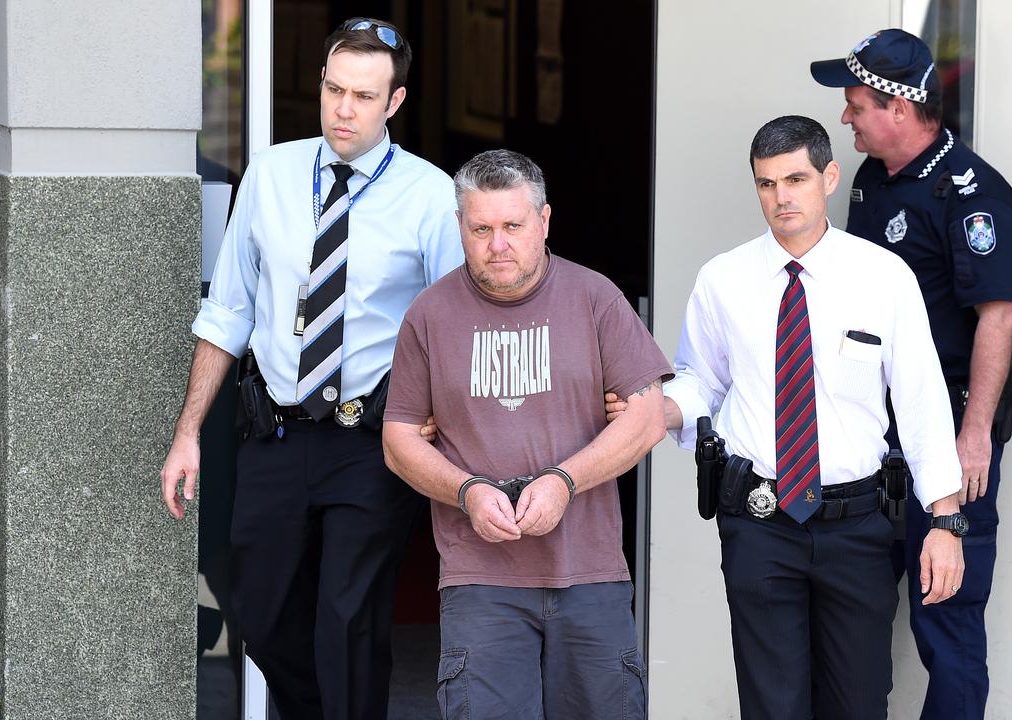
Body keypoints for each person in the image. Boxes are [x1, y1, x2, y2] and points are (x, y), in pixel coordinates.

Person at [607, 115, 965, 719]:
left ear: (828, 177)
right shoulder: (724, 280)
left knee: (856, 703)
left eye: (795, 179)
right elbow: (702, 382)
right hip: (759, 522)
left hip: (857, 524)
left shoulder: (883, 277)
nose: (781, 197)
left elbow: (922, 400)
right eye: (766, 184)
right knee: (772, 706)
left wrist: (946, 523)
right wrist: (656, 410)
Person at [159, 18, 464, 720]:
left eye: (363, 95)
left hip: (371, 444)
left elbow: (452, 331)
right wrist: (187, 435)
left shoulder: (428, 195)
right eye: (334, 89)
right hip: (274, 435)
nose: (344, 109)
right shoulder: (269, 172)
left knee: (349, 623)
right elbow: (229, 311)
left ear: (395, 102)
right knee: (258, 612)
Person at [381, 149, 671, 720]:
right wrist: (466, 491)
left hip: (589, 571)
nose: (498, 244)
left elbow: (647, 418)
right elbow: (399, 441)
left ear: (544, 221)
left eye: (513, 225)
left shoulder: (595, 299)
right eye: (481, 228)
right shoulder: (429, 314)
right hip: (479, 579)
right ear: (459, 227)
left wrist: (565, 481)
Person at [812, 28, 1012, 719]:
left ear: (899, 109)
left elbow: (997, 317)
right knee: (852, 621)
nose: (846, 118)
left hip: (946, 441)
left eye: (856, 104)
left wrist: (975, 437)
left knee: (948, 628)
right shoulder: (874, 180)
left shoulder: (973, 192)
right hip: (873, 441)